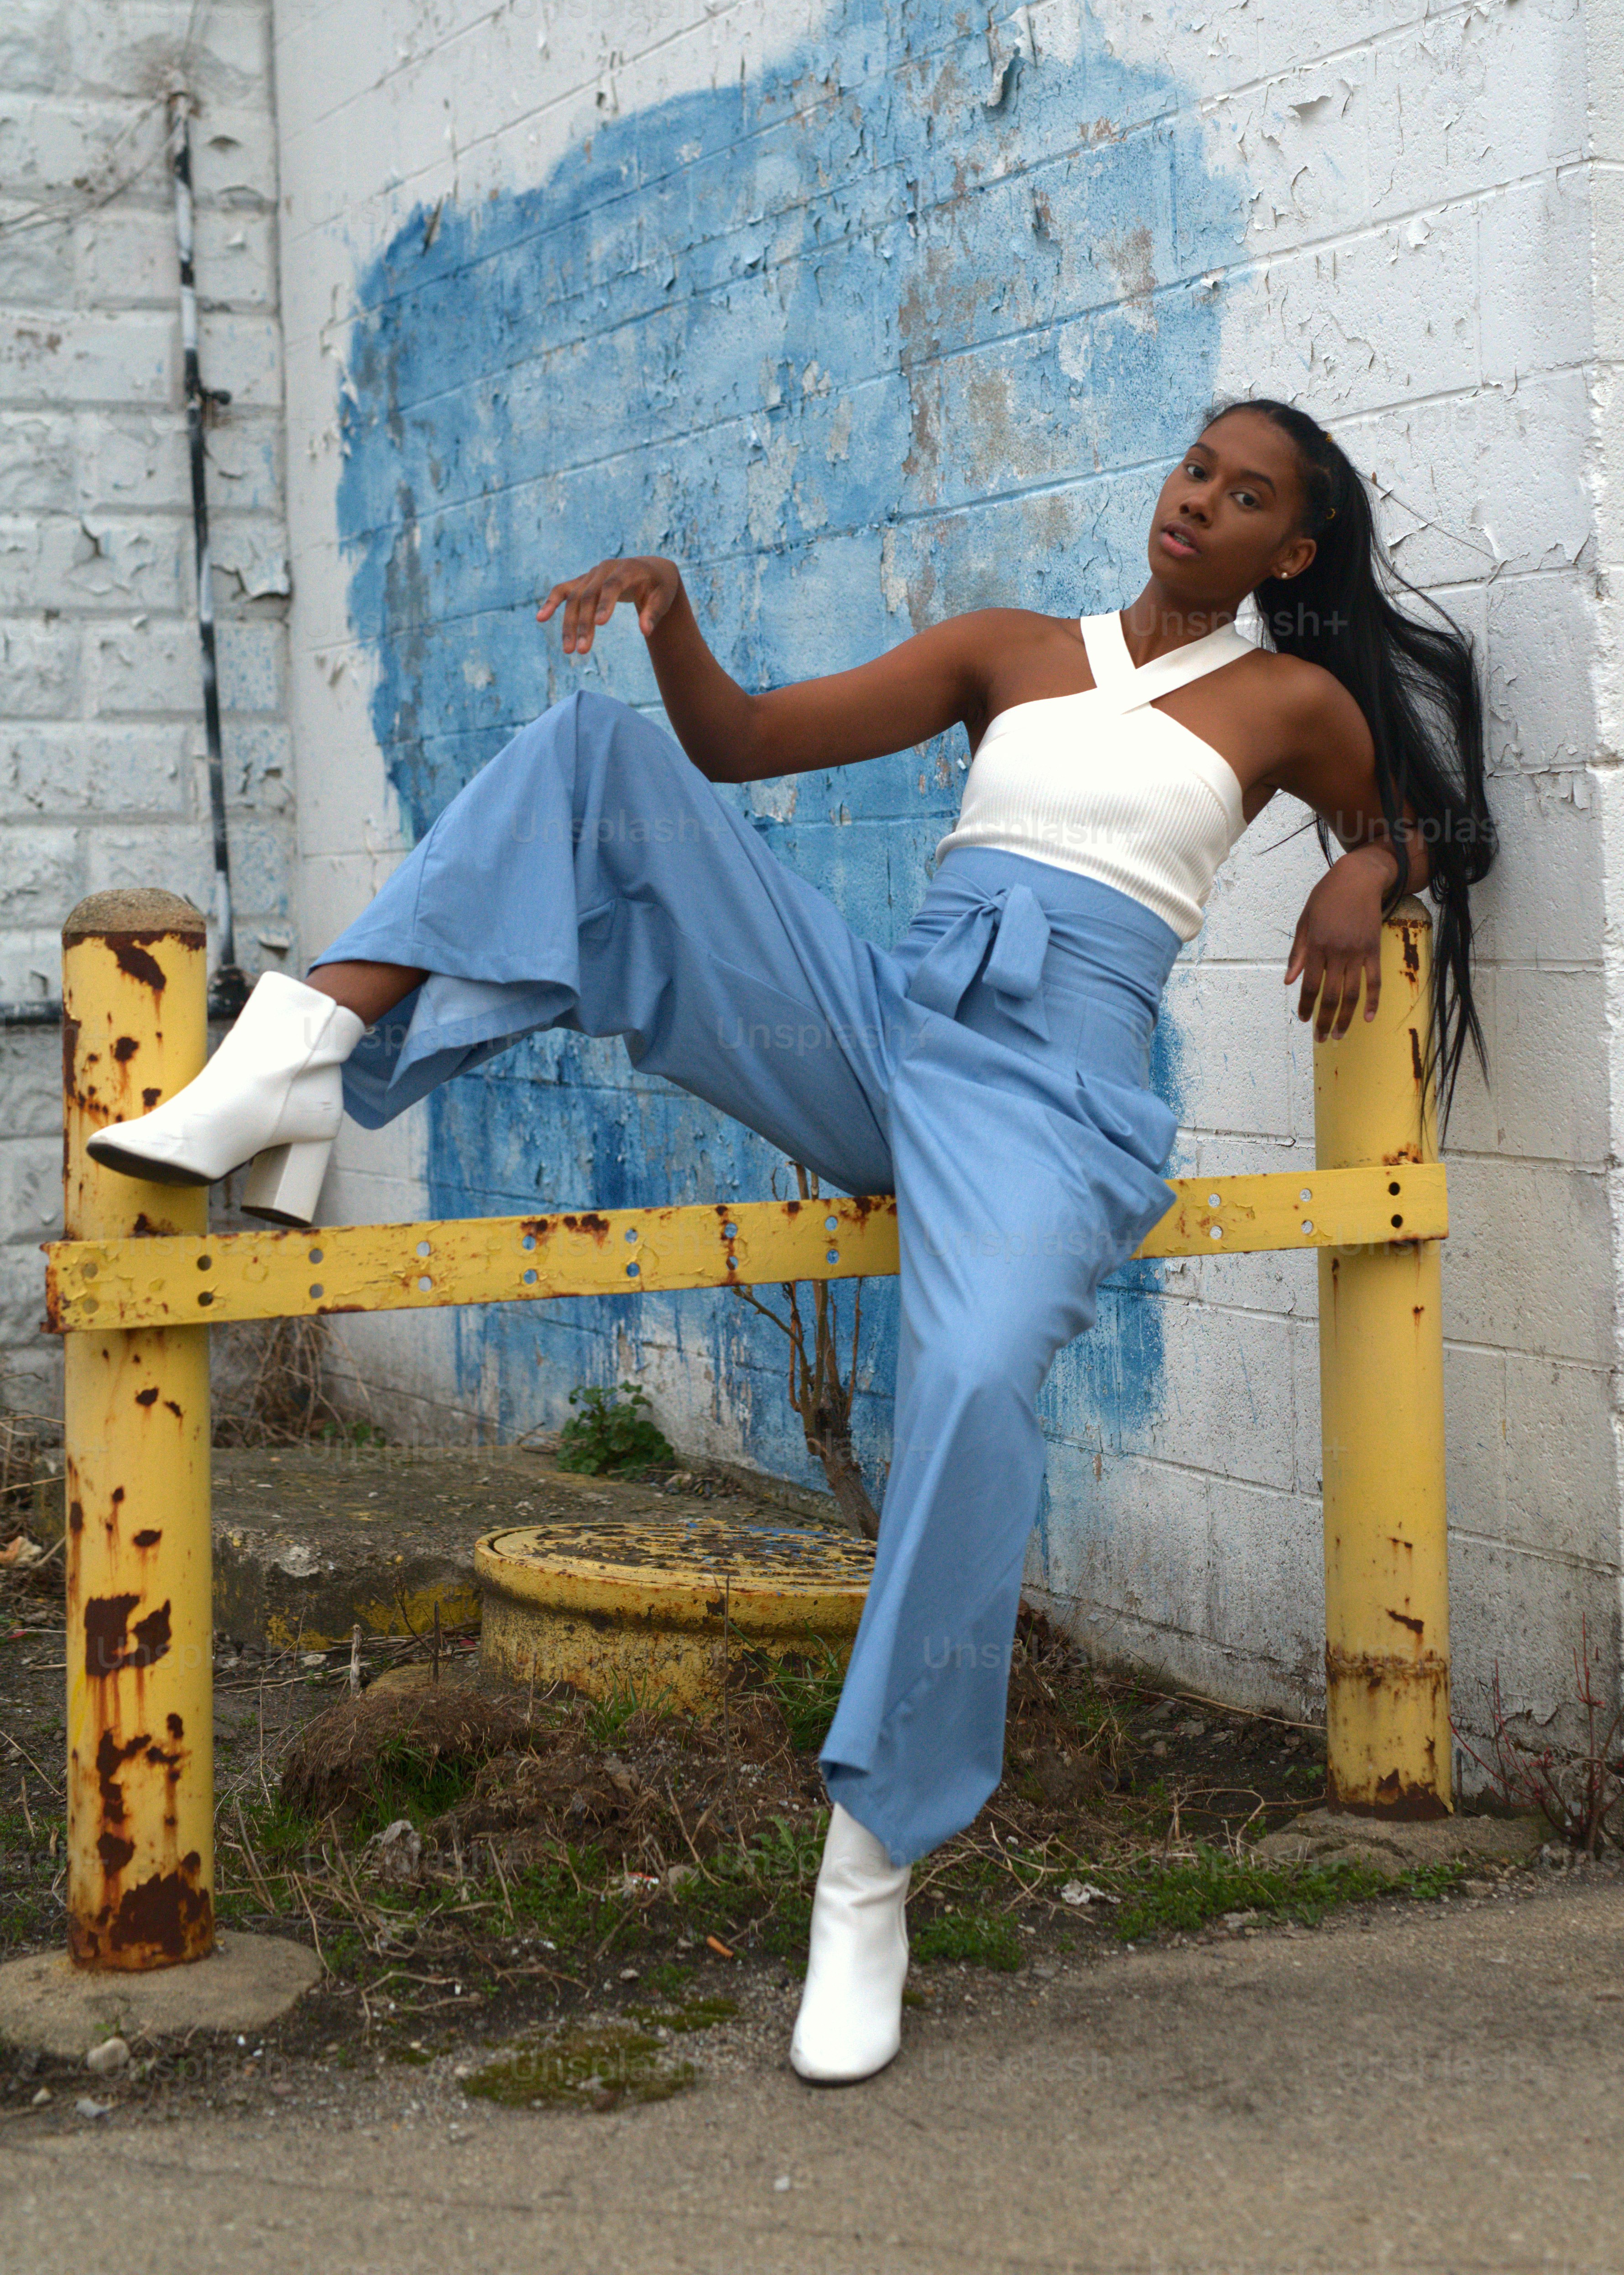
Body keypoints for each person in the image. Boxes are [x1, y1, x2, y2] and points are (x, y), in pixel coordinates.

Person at [89, 396, 1495, 2084]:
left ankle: (871, 1866)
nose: (1201, 501)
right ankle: (304, 1048)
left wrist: (1371, 876)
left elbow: (1429, 827)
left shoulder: (1295, 701)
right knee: (597, 762)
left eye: (1248, 495)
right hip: (894, 1033)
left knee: (975, 1376)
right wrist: (676, 622)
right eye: (1198, 467)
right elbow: (741, 747)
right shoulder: (1011, 647)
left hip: (1054, 1103)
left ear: (1298, 548)